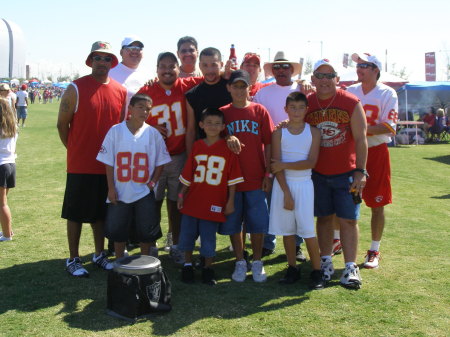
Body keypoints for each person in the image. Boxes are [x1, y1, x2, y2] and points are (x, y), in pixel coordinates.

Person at [57, 41, 127, 277]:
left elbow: (119, 128)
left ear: (112, 62)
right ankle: (73, 258)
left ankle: (99, 254)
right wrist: (75, 149)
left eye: (106, 58)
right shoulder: (75, 88)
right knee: (75, 213)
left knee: (100, 214)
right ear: (90, 61)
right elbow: (62, 124)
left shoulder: (120, 91)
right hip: (80, 164)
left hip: (106, 166)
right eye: (97, 58)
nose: (102, 62)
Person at [305, 58, 368, 289]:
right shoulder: (307, 103)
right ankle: (325, 262)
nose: (324, 80)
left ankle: (350, 267)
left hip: (346, 173)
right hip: (318, 172)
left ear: (337, 79)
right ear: (313, 79)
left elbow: (361, 140)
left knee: (348, 220)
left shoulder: (351, 102)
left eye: (329, 76)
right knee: (322, 218)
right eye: (319, 76)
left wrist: (361, 171)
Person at [137, 51, 203, 262]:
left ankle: (176, 243)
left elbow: (214, 76)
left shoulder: (187, 86)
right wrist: (149, 126)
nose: (167, 70)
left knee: (177, 203)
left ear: (178, 69)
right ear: (156, 69)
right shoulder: (146, 90)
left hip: (178, 155)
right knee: (152, 203)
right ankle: (152, 242)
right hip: (153, 158)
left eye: (171, 66)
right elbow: (132, 120)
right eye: (162, 66)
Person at [96, 93, 171, 258]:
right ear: (130, 108)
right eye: (140, 107)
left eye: (148, 109)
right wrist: (111, 188)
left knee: (145, 230)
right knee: (118, 230)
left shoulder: (153, 133)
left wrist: (153, 183)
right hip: (120, 189)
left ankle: (144, 261)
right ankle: (119, 261)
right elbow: (108, 161)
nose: (144, 112)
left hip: (144, 191)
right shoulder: (116, 131)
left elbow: (161, 161)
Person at [177, 107, 243, 285]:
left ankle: (208, 268)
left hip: (214, 201)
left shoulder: (228, 148)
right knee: (187, 235)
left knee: (208, 237)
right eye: (209, 123)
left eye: (217, 123)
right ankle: (188, 265)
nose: (213, 126)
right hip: (193, 200)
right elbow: (189, 173)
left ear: (223, 126)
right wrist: (182, 194)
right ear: (201, 125)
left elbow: (232, 180)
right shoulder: (198, 146)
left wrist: (230, 202)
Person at [219, 70, 274, 283]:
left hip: (255, 176)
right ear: (229, 88)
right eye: (236, 86)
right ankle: (240, 260)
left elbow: (269, 143)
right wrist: (227, 138)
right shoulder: (223, 113)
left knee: (257, 223)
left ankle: (258, 261)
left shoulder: (259, 110)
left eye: (244, 86)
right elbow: (215, 138)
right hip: (232, 180)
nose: (240, 90)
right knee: (234, 222)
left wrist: (267, 173)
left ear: (249, 87)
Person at [253, 51, 308, 261]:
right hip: (269, 152)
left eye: (285, 67)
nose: (281, 70)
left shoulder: (302, 89)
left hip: (296, 152)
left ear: (292, 70)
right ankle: (268, 242)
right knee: (267, 199)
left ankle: (296, 245)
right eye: (277, 67)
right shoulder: (264, 92)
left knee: (294, 199)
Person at [347, 53, 398, 269]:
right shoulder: (350, 91)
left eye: (365, 65)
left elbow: (389, 127)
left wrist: (360, 130)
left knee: (377, 203)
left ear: (376, 69)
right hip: (350, 152)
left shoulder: (387, 92)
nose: (360, 68)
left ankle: (374, 249)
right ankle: (339, 238)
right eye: (358, 65)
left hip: (376, 151)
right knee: (344, 199)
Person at [269, 92, 324, 289]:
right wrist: (286, 193)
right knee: (288, 230)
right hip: (283, 187)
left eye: (301, 107)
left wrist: (284, 165)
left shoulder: (314, 132)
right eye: (293, 107)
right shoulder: (278, 133)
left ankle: (317, 272)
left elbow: (311, 162)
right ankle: (292, 268)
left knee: (308, 230)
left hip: (305, 184)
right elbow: (276, 166)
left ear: (307, 109)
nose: (297, 111)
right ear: (286, 109)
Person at [185, 47, 232, 139]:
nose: (209, 70)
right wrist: (191, 153)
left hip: (233, 148)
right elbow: (191, 130)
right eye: (205, 65)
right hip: (206, 150)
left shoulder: (233, 88)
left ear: (221, 64)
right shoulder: (192, 95)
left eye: (214, 65)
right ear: (199, 66)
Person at [109, 36, 149, 108]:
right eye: (130, 48)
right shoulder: (110, 73)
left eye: (139, 49)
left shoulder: (148, 74)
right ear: (121, 52)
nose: (135, 51)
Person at [0, 99, 18, 242]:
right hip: (10, 165)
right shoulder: (12, 127)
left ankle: (6, 235)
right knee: (3, 202)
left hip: (2, 165)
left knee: (2, 203)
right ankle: (7, 231)